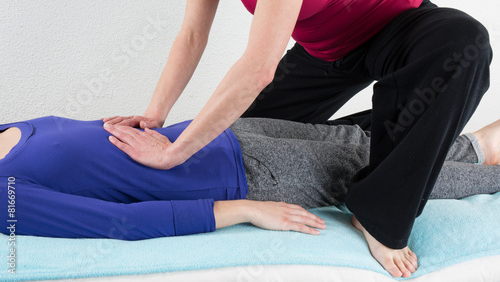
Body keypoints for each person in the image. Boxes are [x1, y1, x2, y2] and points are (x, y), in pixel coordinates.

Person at [102, 0, 493, 277]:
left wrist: (175, 152)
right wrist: (155, 114)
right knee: (245, 140)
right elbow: (191, 34)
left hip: (400, 26)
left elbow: (258, 66)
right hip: (326, 51)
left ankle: (380, 215)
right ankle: (468, 142)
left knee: (463, 40)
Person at [2, 115, 500, 277]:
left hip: (216, 133)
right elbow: (116, 224)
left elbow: (90, 152)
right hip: (244, 175)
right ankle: (489, 175)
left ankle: (478, 146)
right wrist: (241, 209)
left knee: (360, 140)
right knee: (383, 171)